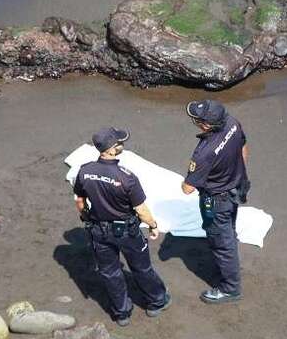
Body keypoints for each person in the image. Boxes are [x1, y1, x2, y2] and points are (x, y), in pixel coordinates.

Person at [73, 126, 172, 326]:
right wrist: (153, 225)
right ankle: (156, 301)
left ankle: (122, 313)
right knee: (142, 268)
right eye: (119, 143)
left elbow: (79, 200)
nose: (122, 144)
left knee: (110, 272)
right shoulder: (126, 177)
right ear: (110, 149)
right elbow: (141, 209)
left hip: (99, 231)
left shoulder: (85, 171)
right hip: (127, 232)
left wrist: (86, 216)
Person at [181, 100, 250, 304]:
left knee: (221, 242)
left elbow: (188, 188)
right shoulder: (232, 123)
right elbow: (243, 147)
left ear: (205, 125)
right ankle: (230, 252)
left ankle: (230, 289)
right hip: (236, 185)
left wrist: (186, 180)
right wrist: (237, 173)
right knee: (229, 227)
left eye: (196, 119)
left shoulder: (204, 153)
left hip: (217, 199)